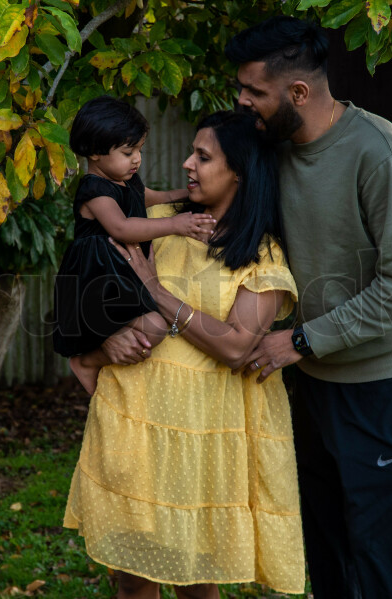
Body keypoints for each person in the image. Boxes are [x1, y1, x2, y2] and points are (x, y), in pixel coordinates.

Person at [224, 16, 392, 599]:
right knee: (328, 546)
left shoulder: (380, 153)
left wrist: (297, 341)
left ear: (298, 92)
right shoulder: (274, 151)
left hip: (382, 382)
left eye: (255, 93)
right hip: (313, 377)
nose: (243, 103)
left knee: (384, 552)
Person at [63, 111, 305, 598]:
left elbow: (236, 345)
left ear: (239, 170)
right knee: (132, 581)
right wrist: (103, 339)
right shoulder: (148, 224)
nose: (186, 164)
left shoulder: (262, 254)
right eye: (191, 152)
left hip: (202, 440)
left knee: (197, 586)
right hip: (133, 425)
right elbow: (84, 278)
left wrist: (156, 291)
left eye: (203, 156)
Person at [53, 96, 216, 394]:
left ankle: (101, 362)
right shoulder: (94, 188)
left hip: (120, 273)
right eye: (128, 152)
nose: (137, 159)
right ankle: (87, 361)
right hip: (97, 279)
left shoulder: (125, 179)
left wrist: (189, 195)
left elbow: (150, 197)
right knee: (154, 326)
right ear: (94, 152)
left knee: (154, 327)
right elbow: (122, 228)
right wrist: (176, 225)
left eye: (139, 150)